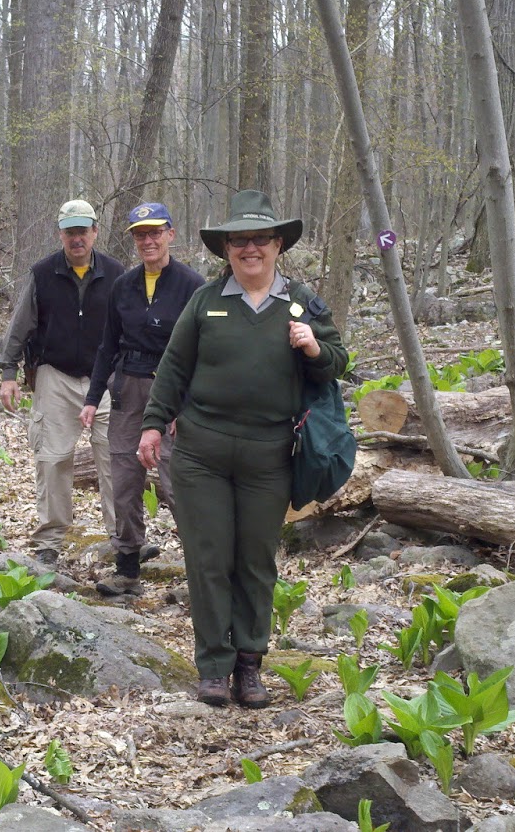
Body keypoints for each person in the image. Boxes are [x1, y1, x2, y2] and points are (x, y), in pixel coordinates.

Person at [138, 189, 347, 708]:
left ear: (278, 244)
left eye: (259, 239)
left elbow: (339, 362)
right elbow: (173, 368)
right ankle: (213, 664)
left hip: (269, 454)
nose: (249, 249)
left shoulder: (301, 302)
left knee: (255, 560)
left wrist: (314, 347)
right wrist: (152, 424)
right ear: (226, 250)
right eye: (239, 242)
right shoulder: (206, 301)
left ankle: (250, 665)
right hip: (201, 452)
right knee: (208, 559)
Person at [80, 203, 205, 596]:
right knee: (124, 480)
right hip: (127, 390)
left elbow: (204, 349)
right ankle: (128, 567)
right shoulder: (124, 284)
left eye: (155, 232)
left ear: (171, 233)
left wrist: (186, 404)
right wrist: (92, 397)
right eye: (139, 234)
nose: (147, 241)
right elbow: (106, 346)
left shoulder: (191, 285)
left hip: (172, 390)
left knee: (176, 483)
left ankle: (201, 575)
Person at [0, 199, 122, 568]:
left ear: (95, 232)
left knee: (115, 459)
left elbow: (130, 328)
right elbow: (20, 327)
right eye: (70, 232)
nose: (77, 239)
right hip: (54, 375)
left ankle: (123, 539)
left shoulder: (117, 275)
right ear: (61, 235)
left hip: (106, 378)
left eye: (83, 231)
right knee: (52, 460)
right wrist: (9, 373)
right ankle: (50, 540)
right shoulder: (42, 273)